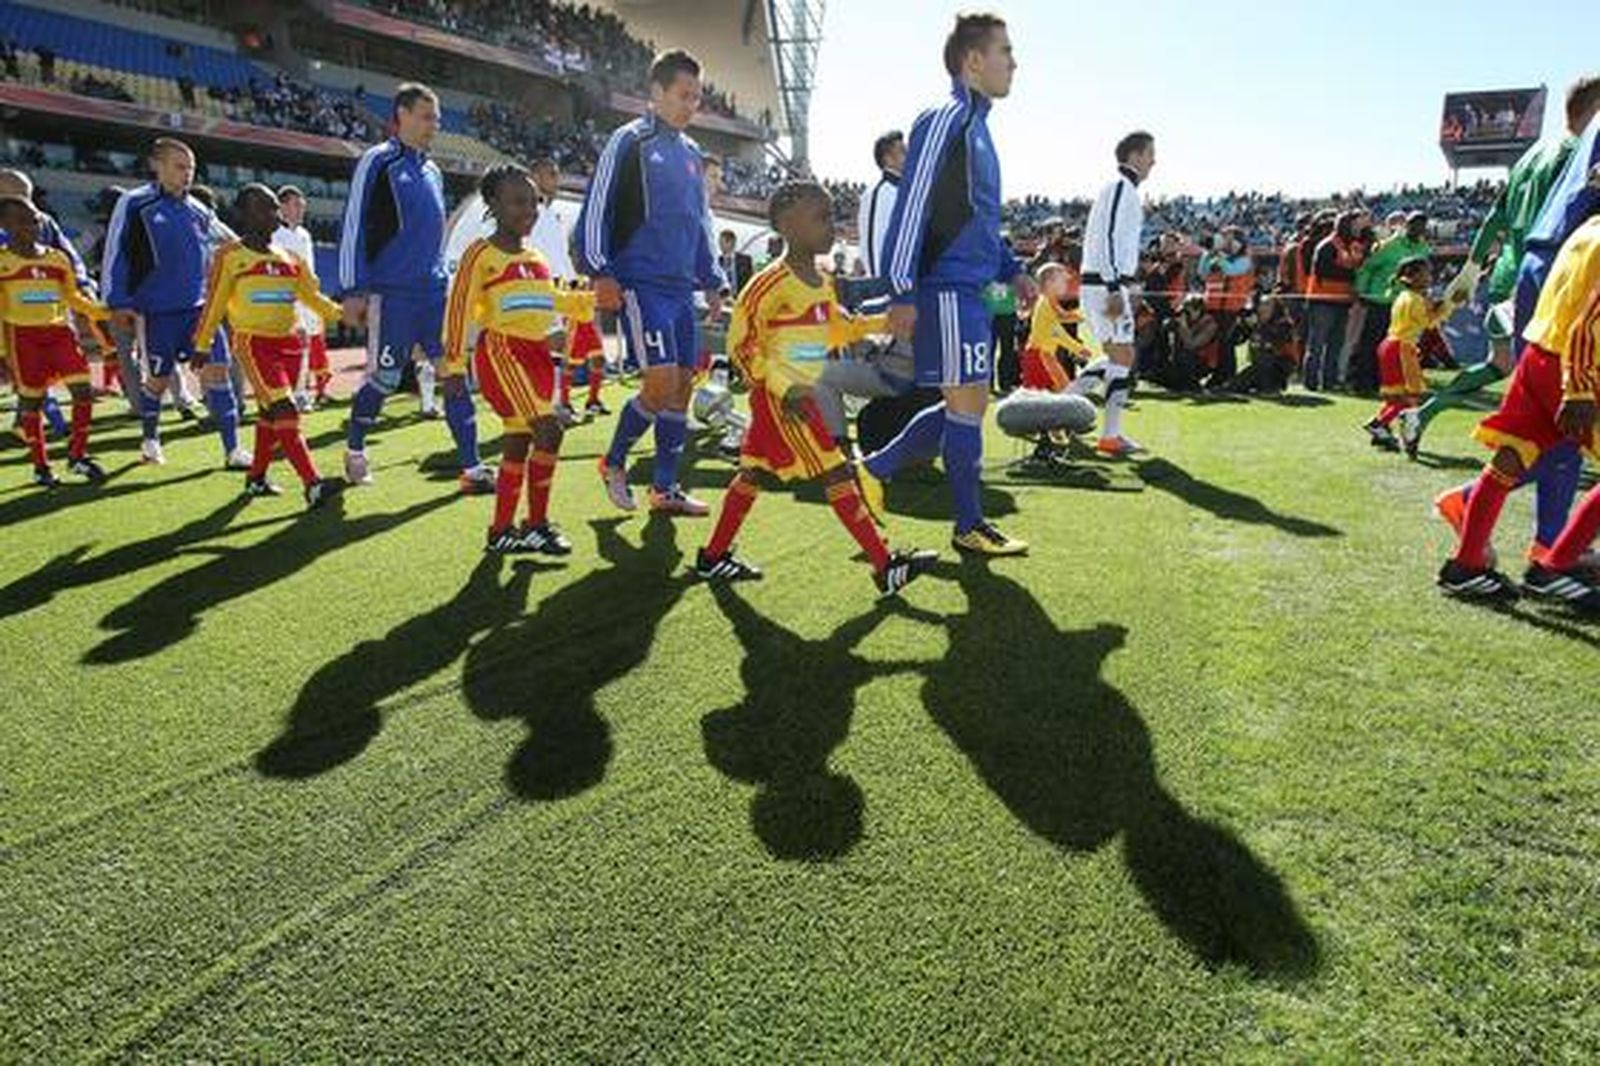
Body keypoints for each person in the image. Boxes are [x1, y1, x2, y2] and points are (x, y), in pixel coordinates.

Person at [693, 180, 936, 596]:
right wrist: (785, 388)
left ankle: (713, 557)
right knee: (836, 470)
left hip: (794, 393)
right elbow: (742, 345)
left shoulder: (823, 280)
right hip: (787, 399)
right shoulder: (768, 283)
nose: (832, 227)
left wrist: (884, 322)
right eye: (821, 218)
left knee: (751, 472)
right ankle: (884, 565)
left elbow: (836, 329)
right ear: (787, 224)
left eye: (833, 217)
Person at [853, 13, 1037, 556]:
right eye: (1006, 50)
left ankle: (875, 468)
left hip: (972, 289)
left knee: (969, 403)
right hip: (945, 289)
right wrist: (902, 290)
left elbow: (977, 219)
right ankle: (968, 525)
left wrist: (1012, 268)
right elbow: (913, 209)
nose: (1014, 61)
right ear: (973, 61)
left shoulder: (979, 128)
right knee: (964, 405)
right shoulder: (945, 119)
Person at [576, 49, 729, 517]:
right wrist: (600, 270)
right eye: (684, 96)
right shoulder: (629, 141)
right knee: (661, 382)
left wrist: (713, 280)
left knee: (683, 385)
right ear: (657, 93)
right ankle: (613, 461)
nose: (691, 105)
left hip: (682, 289)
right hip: (642, 284)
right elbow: (597, 210)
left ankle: (664, 489)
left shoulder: (689, 153)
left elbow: (699, 222)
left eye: (697, 98)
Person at [1411, 76, 1600, 446]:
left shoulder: (1531, 156)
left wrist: (1470, 268)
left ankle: (1422, 413)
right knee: (1553, 374)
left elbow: (1495, 217)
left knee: (1502, 366)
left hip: (1508, 275)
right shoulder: (1575, 156)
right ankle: (1526, 457)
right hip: (1547, 277)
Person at [1438, 214, 1600, 605]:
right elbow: (1588, 323)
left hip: (1540, 352)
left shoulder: (1588, 227)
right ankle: (1555, 567)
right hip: (1577, 365)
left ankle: (1467, 565)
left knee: (1510, 458)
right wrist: (1578, 386)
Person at [340, 83, 493, 493]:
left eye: (437, 119)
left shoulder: (432, 169)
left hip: (433, 295)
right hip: (393, 297)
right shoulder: (378, 162)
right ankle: (355, 449)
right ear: (401, 115)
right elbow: (354, 224)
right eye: (426, 117)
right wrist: (353, 288)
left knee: (454, 374)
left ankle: (472, 466)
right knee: (386, 379)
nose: (433, 125)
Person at [445, 164, 597, 555]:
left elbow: (550, 301)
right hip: (503, 352)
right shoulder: (480, 253)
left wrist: (588, 302)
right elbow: (459, 309)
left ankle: (500, 532)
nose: (528, 210)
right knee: (550, 431)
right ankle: (536, 525)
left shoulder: (536, 257)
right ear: (493, 203)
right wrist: (454, 365)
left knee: (518, 442)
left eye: (533, 202)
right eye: (517, 202)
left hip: (537, 357)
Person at [102, 138, 248, 468]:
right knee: (157, 380)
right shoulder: (135, 203)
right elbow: (117, 253)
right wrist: (118, 301)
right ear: (157, 165)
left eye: (191, 169)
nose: (187, 175)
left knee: (218, 373)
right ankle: (151, 439)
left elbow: (231, 242)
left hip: (200, 311)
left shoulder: (199, 209)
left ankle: (233, 449)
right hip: (157, 313)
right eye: (180, 167)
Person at [192, 185, 341, 507]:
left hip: (289, 343)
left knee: (269, 415)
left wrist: (343, 314)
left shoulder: (291, 258)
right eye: (265, 208)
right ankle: (313, 484)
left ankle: (256, 478)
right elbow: (214, 303)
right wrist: (202, 343)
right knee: (286, 409)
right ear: (244, 215)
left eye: (275, 208)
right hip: (254, 343)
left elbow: (312, 297)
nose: (274, 214)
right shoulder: (230, 256)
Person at [0, 196, 108, 486]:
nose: (31, 226)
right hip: (22, 339)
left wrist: (100, 311)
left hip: (60, 333)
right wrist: (1, 353)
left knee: (83, 390)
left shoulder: (57, 258)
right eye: (21, 221)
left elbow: (71, 296)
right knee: (31, 403)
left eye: (35, 219)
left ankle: (78, 455)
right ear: (4, 225)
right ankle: (41, 467)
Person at [1066, 130, 1157, 456]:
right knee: (1122, 354)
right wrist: (1113, 286)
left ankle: (1064, 405)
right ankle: (1109, 434)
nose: (1153, 161)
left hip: (1107, 283)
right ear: (1134, 156)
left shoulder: (1122, 190)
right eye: (1150, 154)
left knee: (1119, 355)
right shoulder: (1121, 188)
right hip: (1105, 285)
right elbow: (1106, 237)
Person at [525, 157, 608, 425]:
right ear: (535, 176)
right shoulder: (528, 212)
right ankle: (545, 407)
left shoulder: (551, 213)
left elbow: (559, 255)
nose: (556, 180)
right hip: (539, 289)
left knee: (558, 350)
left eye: (557, 174)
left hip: (561, 290)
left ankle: (554, 406)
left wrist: (574, 286)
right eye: (550, 174)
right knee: (547, 349)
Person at [1361, 257, 1458, 454]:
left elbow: (1426, 314)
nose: (1429, 277)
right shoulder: (1414, 299)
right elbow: (1429, 324)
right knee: (1409, 397)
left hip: (1390, 346)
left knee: (1395, 396)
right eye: (1425, 273)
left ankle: (1382, 432)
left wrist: (1440, 305)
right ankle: (1379, 424)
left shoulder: (1406, 296)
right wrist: (1448, 306)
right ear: (1412, 277)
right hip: (1401, 348)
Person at [1351, 211, 1432, 395]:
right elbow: (1368, 268)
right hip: (1381, 301)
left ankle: (1385, 383)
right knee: (1371, 344)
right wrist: (1361, 291)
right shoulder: (1389, 245)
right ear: (1407, 225)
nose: (1418, 227)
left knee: (1395, 347)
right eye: (1414, 223)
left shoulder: (1424, 249)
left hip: (1405, 305)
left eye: (1422, 224)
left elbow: (1422, 276)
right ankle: (1362, 383)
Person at [272, 185, 331, 409]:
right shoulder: (275, 235)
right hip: (288, 298)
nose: (301, 209)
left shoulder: (305, 234)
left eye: (302, 205)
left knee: (310, 345)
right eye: (296, 205)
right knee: (294, 346)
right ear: (282, 207)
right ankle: (293, 393)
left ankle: (306, 392)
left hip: (309, 298)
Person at [1303, 209, 1365, 391]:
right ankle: (1311, 382)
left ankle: (1329, 381)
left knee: (1335, 345)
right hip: (1322, 300)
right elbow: (1325, 270)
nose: (1357, 229)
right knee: (1317, 344)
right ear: (1344, 226)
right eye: (1354, 225)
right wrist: (1352, 273)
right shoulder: (1327, 245)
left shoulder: (1349, 246)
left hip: (1342, 302)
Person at [1018, 262, 1089, 392]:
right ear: (1050, 283)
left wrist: (1086, 316)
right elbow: (1056, 332)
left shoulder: (1048, 301)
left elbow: (1063, 316)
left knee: (1059, 391)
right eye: (1062, 281)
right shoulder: (1046, 304)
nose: (1066, 285)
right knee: (1058, 392)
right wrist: (1077, 348)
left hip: (1042, 354)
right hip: (1039, 356)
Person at [855, 130, 905, 281]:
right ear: (888, 159)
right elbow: (875, 245)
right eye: (903, 152)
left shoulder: (899, 190)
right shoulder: (880, 193)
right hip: (888, 292)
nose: (910, 157)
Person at [716, 229, 755, 296]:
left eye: (722, 243)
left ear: (732, 242)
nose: (720, 246)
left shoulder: (745, 260)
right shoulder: (718, 261)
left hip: (741, 298)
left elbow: (750, 281)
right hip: (723, 299)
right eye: (720, 243)